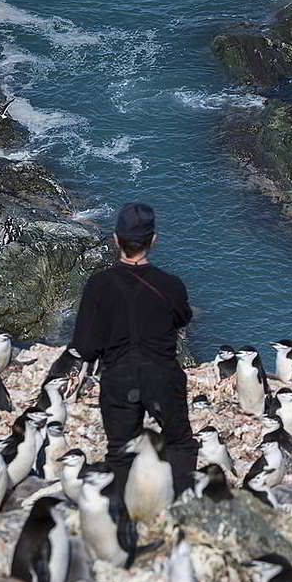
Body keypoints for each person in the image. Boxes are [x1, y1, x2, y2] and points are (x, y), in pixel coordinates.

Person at [70, 203, 197, 493]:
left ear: (116, 239)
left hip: (118, 378)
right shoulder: (170, 284)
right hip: (162, 375)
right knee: (179, 443)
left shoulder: (98, 285)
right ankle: (179, 508)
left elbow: (85, 348)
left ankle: (122, 515)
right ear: (153, 240)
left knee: (121, 451)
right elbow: (183, 318)